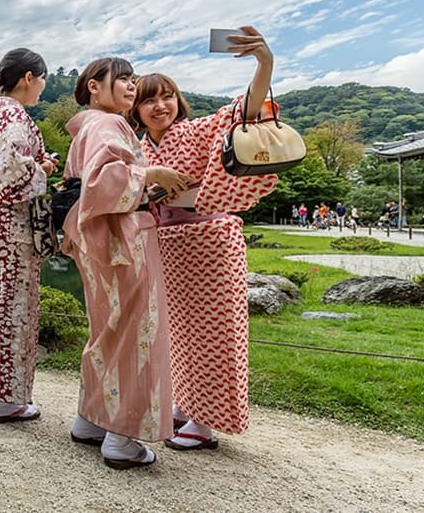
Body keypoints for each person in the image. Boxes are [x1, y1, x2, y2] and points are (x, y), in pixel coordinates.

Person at [127, 26, 279, 453]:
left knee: (214, 331)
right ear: (135, 110)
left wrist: (264, 63)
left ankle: (206, 421)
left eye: (167, 96)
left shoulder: (195, 130)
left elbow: (244, 113)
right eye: (148, 100)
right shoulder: (139, 149)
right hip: (167, 244)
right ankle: (185, 402)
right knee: (178, 331)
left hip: (208, 236)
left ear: (178, 100)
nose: (160, 106)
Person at [61, 56, 187, 470]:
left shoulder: (88, 128)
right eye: (123, 79)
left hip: (98, 241)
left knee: (108, 330)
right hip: (124, 240)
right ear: (94, 86)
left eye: (133, 80)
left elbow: (81, 187)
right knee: (137, 334)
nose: (131, 87)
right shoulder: (109, 124)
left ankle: (91, 420)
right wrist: (152, 173)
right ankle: (123, 438)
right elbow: (101, 183)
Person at [0, 48, 57, 424]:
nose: (41, 88)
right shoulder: (14, 118)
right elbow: (15, 174)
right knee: (15, 306)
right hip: (12, 225)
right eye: (41, 80)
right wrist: (46, 166)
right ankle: (8, 398)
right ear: (27, 78)